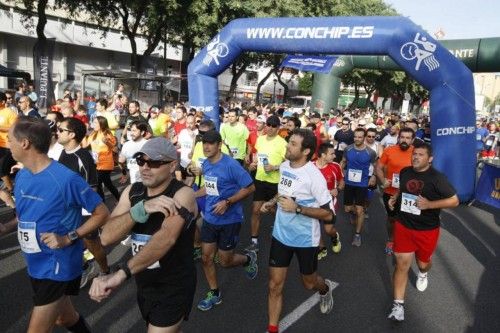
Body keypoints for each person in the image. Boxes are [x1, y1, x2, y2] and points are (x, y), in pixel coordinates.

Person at [89, 137, 198, 332]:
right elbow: (106, 236)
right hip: (144, 282)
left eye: (154, 162)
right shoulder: (133, 192)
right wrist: (140, 209)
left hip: (173, 285)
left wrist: (122, 273)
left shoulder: (183, 195)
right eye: (141, 161)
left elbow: (167, 238)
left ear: (173, 165)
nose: (145, 167)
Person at [10, 117, 109, 333]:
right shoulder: (22, 175)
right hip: (35, 262)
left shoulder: (65, 179)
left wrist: (69, 237)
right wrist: (5, 227)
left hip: (57, 265)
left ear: (25, 143)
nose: (8, 144)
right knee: (65, 319)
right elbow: (26, 215)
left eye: (10, 139)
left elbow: (102, 212)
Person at [261, 129, 335, 333]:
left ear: (306, 151)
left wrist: (298, 209)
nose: (287, 146)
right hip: (280, 235)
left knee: (309, 283)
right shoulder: (285, 166)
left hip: (305, 240)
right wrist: (271, 202)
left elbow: (329, 215)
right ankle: (273, 328)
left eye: (293, 144)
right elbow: (284, 191)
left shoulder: (315, 177)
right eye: (289, 142)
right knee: (274, 286)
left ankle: (325, 288)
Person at [387, 143, 459, 322]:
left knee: (423, 263)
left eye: (420, 155)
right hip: (403, 225)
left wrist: (430, 205)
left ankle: (423, 272)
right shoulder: (405, 172)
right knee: (402, 264)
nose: (415, 157)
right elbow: (402, 189)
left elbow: (454, 200)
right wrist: (395, 198)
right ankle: (398, 306)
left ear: (430, 159)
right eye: (414, 154)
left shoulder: (437, 178)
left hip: (427, 230)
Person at [196, 130, 257, 311]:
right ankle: (215, 293)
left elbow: (250, 187)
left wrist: (228, 202)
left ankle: (247, 259)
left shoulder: (231, 165)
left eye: (210, 143)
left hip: (230, 220)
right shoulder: (206, 164)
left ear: (219, 144)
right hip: (210, 218)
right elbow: (209, 188)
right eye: (204, 143)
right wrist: (189, 195)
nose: (206, 146)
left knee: (225, 262)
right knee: (206, 258)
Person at [57, 117, 111, 287]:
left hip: (86, 210)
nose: (57, 132)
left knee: (92, 244)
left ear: (71, 134)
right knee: (66, 240)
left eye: (60, 130)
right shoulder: (63, 152)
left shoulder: (84, 157)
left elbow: (92, 189)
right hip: (67, 209)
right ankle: (85, 266)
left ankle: (104, 270)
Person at [246, 115, 287, 253]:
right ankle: (254, 241)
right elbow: (258, 155)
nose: (269, 127)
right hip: (260, 179)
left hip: (274, 182)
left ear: (278, 128)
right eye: (268, 124)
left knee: (272, 209)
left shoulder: (282, 143)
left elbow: (288, 164)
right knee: (255, 210)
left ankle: (281, 226)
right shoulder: (261, 139)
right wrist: (253, 163)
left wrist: (275, 167)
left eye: (273, 125)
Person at [375, 128, 415, 255]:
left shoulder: (416, 153)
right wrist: (382, 180)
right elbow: (379, 167)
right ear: (398, 138)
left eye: (408, 138)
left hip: (409, 194)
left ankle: (405, 242)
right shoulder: (389, 150)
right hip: (390, 191)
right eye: (402, 137)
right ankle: (391, 240)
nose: (404, 140)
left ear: (412, 140)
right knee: (392, 218)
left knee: (407, 219)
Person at [340, 128, 377, 247]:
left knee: (360, 210)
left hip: (362, 184)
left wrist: (374, 176)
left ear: (364, 137)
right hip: (349, 183)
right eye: (355, 136)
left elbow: (376, 165)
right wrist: (340, 175)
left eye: (360, 137)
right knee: (348, 208)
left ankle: (357, 235)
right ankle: (353, 212)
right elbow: (343, 162)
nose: (357, 139)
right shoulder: (348, 149)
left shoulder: (370, 152)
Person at [313, 143, 343, 259]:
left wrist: (338, 189)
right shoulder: (310, 166)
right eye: (332, 154)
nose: (335, 156)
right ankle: (322, 248)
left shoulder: (335, 166)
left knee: (328, 229)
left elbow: (341, 182)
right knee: (314, 228)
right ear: (323, 155)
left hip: (329, 203)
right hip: (313, 203)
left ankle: (334, 237)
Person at [82, 116, 120, 201]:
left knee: (98, 183)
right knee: (107, 184)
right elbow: (85, 146)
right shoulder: (93, 134)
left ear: (101, 124)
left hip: (105, 164)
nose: (93, 124)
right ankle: (117, 199)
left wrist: (107, 142)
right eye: (93, 122)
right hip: (96, 163)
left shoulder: (107, 134)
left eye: (95, 123)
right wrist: (84, 135)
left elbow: (115, 149)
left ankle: (104, 203)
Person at [118, 121, 148, 185]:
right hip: (134, 180)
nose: (131, 133)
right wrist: (124, 173)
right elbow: (121, 160)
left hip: (148, 179)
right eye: (131, 131)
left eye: (134, 131)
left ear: (142, 132)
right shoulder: (126, 145)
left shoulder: (148, 144)